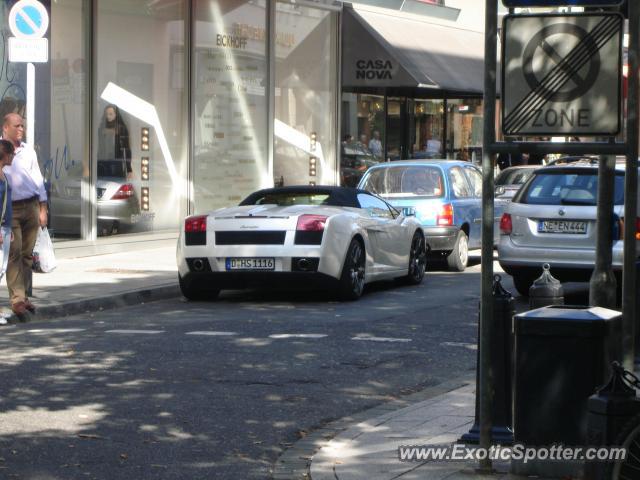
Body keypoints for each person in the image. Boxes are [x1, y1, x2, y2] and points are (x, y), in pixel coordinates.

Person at [2, 113, 47, 316]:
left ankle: (25, 296)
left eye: (23, 126)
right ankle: (17, 299)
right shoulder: (2, 150)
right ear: (6, 127)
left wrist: (43, 208)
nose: (21, 129)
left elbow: (38, 179)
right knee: (15, 252)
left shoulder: (28, 149)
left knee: (27, 254)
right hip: (10, 208)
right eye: (17, 126)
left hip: (31, 205)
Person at [98, 104, 132, 179]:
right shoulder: (101, 128)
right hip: (102, 162)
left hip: (117, 163)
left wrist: (129, 169)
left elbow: (126, 149)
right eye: (106, 114)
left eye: (111, 114)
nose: (108, 116)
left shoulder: (122, 129)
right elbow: (96, 146)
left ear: (116, 115)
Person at [0, 140, 14, 324]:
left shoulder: (4, 174)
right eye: (11, 154)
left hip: (5, 227)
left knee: (2, 269)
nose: (13, 157)